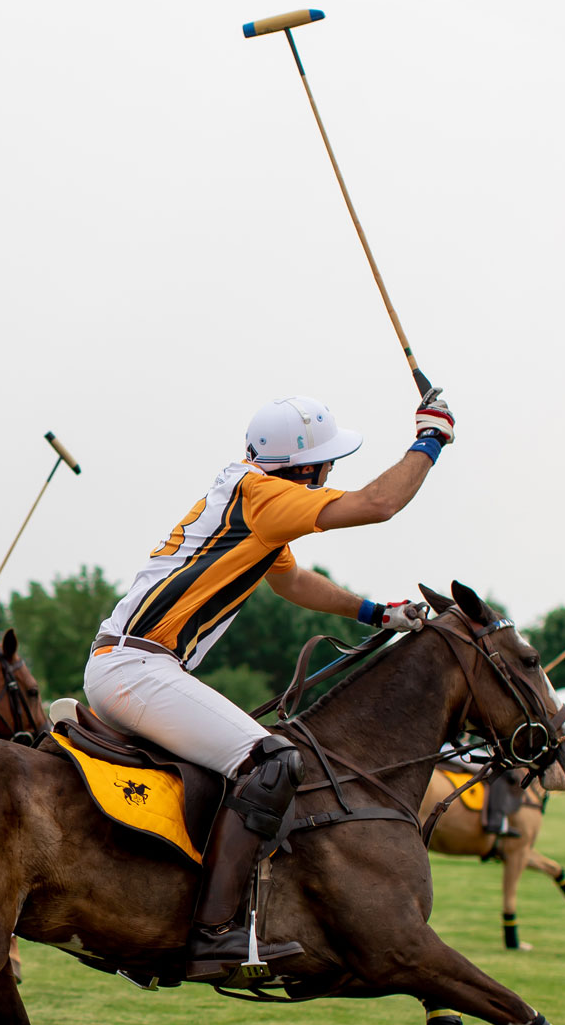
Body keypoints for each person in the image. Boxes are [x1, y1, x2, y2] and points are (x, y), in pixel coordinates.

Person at [85, 388, 456, 979]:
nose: (332, 471)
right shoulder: (265, 497)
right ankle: (214, 934)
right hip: (137, 667)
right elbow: (379, 502)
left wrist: (375, 613)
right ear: (303, 465)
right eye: (327, 462)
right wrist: (430, 439)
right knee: (274, 760)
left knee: (246, 763)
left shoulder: (251, 501)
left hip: (134, 664)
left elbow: (292, 584)